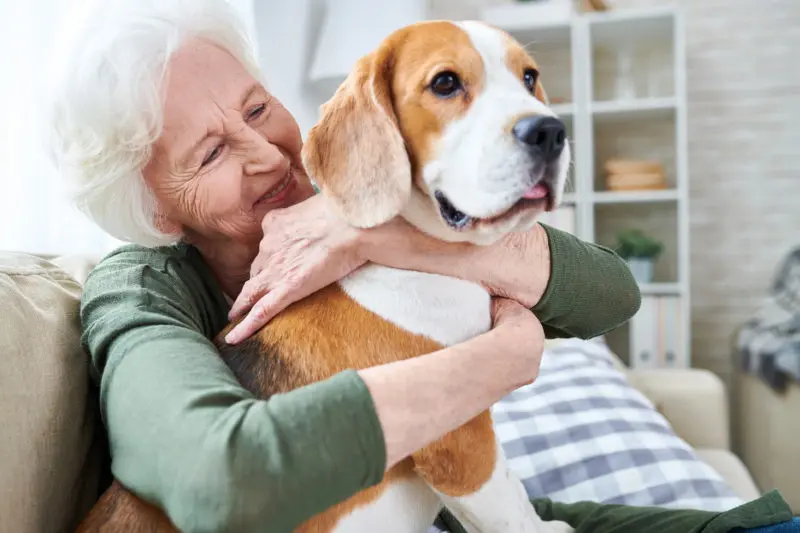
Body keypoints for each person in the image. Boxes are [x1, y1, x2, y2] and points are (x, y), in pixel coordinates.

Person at [46, 1, 794, 532]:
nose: (267, 152)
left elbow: (611, 293)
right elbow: (219, 479)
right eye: (210, 152)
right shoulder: (139, 287)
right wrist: (503, 358)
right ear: (156, 211)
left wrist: (375, 237)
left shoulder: (378, 216)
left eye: (256, 108)